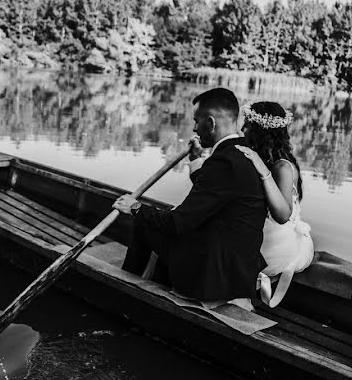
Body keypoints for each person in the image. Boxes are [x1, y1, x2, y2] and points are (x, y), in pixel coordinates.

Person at [112, 87, 267, 305]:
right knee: (160, 219)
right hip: (238, 265)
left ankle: (124, 290)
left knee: (145, 223)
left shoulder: (223, 162)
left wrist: (135, 208)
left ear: (211, 123)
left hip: (217, 271)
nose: (194, 128)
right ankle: (159, 282)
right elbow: (213, 192)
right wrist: (196, 159)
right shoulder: (244, 152)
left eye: (197, 121)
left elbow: (178, 223)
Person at [234, 101, 314, 307]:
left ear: (261, 132)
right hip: (266, 239)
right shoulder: (259, 158)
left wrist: (263, 172)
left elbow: (282, 215)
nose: (243, 129)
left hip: (279, 248)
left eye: (247, 125)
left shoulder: (282, 167)